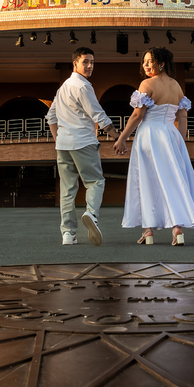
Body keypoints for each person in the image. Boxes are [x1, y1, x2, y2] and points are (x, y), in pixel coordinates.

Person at [114, 47, 194, 246]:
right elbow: (182, 117)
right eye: (144, 62)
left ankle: (148, 231)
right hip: (171, 135)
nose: (146, 65)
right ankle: (177, 228)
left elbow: (137, 116)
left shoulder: (146, 84)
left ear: (162, 63)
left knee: (147, 180)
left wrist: (122, 138)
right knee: (173, 180)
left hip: (149, 134)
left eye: (150, 61)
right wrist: (179, 142)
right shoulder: (176, 86)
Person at [46, 47, 119, 245]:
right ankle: (91, 214)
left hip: (63, 146)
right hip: (83, 143)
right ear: (75, 64)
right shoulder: (83, 86)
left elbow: (50, 117)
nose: (89, 66)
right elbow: (99, 116)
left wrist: (58, 139)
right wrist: (118, 137)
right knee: (96, 182)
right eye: (85, 61)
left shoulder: (62, 88)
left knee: (67, 190)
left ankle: (68, 234)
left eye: (92, 62)